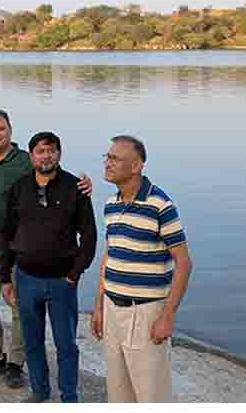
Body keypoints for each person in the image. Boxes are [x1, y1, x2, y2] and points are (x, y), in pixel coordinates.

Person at [0, 110, 92, 389]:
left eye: (0, 129)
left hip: (19, 248)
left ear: (10, 131)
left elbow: (50, 171)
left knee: (18, 308)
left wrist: (83, 185)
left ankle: (15, 363)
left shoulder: (25, 160)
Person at [90, 135, 193, 403]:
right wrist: (99, 305)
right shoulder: (111, 205)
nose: (107, 163)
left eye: (115, 159)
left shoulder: (160, 205)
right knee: (118, 394)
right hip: (112, 310)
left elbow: (184, 262)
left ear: (136, 166)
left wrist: (167, 316)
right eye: (107, 157)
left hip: (145, 313)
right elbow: (109, 255)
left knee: (151, 396)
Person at [0, 132, 97, 403]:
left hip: (62, 281)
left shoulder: (75, 188)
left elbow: (89, 235)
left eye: (51, 151)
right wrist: (5, 277)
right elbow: (6, 234)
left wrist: (75, 273)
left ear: (59, 154)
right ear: (31, 156)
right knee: (32, 341)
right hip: (26, 278)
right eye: (40, 151)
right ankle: (40, 392)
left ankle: (69, 397)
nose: (46, 156)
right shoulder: (19, 188)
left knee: (66, 344)